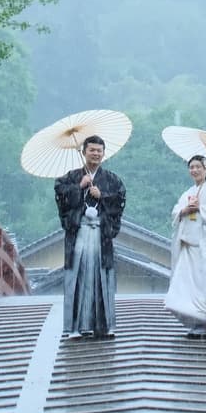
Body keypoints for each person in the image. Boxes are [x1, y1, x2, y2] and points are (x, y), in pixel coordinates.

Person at [54, 134, 127, 339]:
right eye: (92, 150)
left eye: (99, 150)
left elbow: (119, 199)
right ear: (84, 151)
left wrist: (101, 196)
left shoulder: (112, 179)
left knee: (100, 276)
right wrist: (79, 187)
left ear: (104, 153)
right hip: (80, 231)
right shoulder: (72, 177)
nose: (95, 153)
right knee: (77, 275)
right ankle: (75, 327)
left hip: (100, 232)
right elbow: (60, 193)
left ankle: (102, 326)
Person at [164, 154, 206, 336]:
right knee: (187, 284)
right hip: (188, 245)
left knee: (203, 283)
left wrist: (201, 208)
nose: (194, 170)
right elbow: (176, 211)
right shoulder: (188, 192)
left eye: (198, 167)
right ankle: (195, 320)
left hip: (203, 246)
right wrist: (185, 210)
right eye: (191, 167)